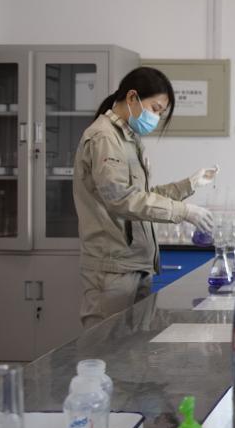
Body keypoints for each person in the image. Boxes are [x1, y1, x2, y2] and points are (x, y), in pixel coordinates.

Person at [74, 67, 217, 328]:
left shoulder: (129, 138)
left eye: (160, 113)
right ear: (132, 97)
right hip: (113, 267)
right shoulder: (104, 137)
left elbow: (142, 197)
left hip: (134, 263)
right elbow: (121, 199)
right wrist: (183, 211)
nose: (156, 118)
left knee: (132, 346)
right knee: (107, 345)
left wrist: (188, 185)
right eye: (155, 109)